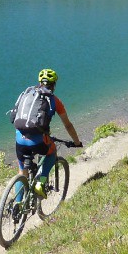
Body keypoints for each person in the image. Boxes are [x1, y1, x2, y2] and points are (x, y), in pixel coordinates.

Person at [14, 68, 83, 198]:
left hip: (20, 138)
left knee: (22, 171)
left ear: (40, 82)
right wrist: (76, 142)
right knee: (51, 153)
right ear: (54, 84)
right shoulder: (54, 100)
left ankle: (17, 204)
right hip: (39, 141)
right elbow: (68, 125)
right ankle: (40, 182)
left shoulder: (27, 94)